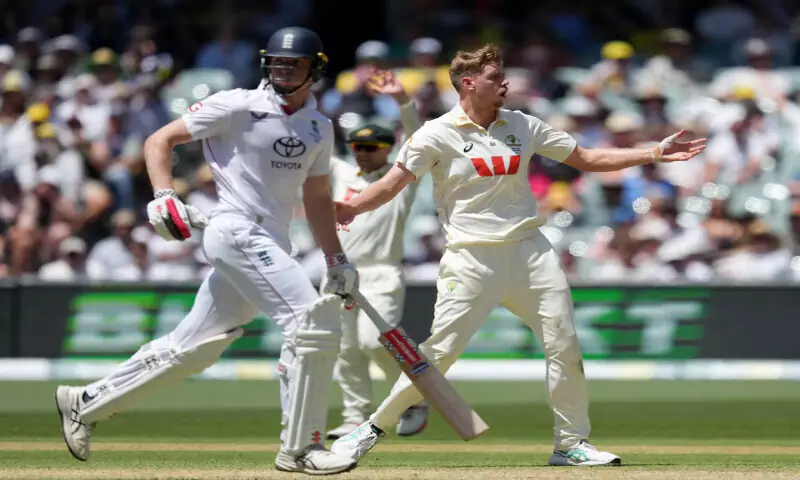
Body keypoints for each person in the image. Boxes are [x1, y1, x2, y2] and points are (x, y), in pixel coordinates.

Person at [330, 44, 706, 467]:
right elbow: (393, 183)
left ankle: (570, 443)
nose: (505, 82)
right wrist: (350, 208)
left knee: (564, 343)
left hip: (531, 253)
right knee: (440, 352)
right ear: (469, 83)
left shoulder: (522, 124)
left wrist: (653, 151)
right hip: (471, 258)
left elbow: (586, 157)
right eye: (495, 77)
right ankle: (369, 429)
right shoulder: (436, 133)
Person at [54, 27, 359, 476]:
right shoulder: (236, 104)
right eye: (275, 61)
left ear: (316, 67)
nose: (281, 69)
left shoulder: (318, 126)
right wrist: (163, 195)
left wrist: (336, 258)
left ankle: (85, 403)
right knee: (310, 325)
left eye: (292, 63)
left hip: (272, 240)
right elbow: (159, 141)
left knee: (192, 348)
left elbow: (316, 199)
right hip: (235, 232)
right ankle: (300, 450)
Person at [325, 70, 429, 440]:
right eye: (358, 147)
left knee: (375, 341)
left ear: (387, 149)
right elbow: (318, 140)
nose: (363, 153)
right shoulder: (340, 173)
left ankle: (412, 399)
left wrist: (402, 100)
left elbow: (417, 137)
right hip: (340, 273)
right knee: (346, 349)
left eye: (372, 147)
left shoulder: (399, 180)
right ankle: (355, 415)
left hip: (381, 272)